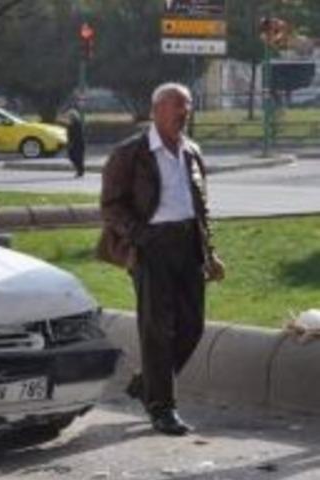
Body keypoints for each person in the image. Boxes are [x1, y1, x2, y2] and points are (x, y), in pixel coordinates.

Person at [96, 82, 225, 436]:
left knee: (192, 326)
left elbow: (201, 207)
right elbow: (110, 206)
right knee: (156, 330)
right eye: (176, 108)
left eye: (187, 108)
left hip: (188, 245)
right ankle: (162, 408)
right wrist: (139, 237)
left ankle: (148, 384)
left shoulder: (192, 152)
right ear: (156, 111)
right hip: (151, 245)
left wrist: (210, 252)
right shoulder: (130, 153)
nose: (184, 114)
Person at [66, 109, 85, 178]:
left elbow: (78, 134)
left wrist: (72, 142)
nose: (68, 117)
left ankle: (80, 171)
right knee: (71, 156)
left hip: (78, 143)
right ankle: (80, 170)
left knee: (78, 157)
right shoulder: (70, 123)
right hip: (72, 143)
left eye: (69, 116)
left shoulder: (77, 123)